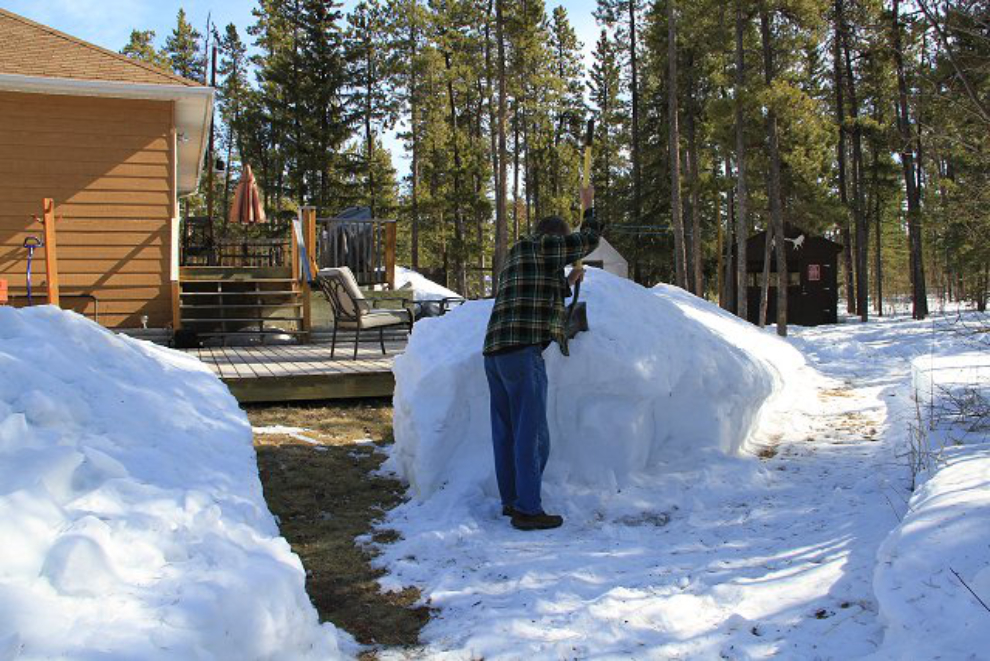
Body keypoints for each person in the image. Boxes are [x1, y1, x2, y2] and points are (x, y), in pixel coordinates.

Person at [482, 186, 601, 531]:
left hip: (495, 354)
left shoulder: (518, 256)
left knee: (505, 432)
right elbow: (588, 239)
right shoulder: (545, 245)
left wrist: (567, 281)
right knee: (531, 435)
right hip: (522, 354)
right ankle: (529, 510)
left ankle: (512, 501)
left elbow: (534, 293)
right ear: (553, 238)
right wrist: (588, 206)